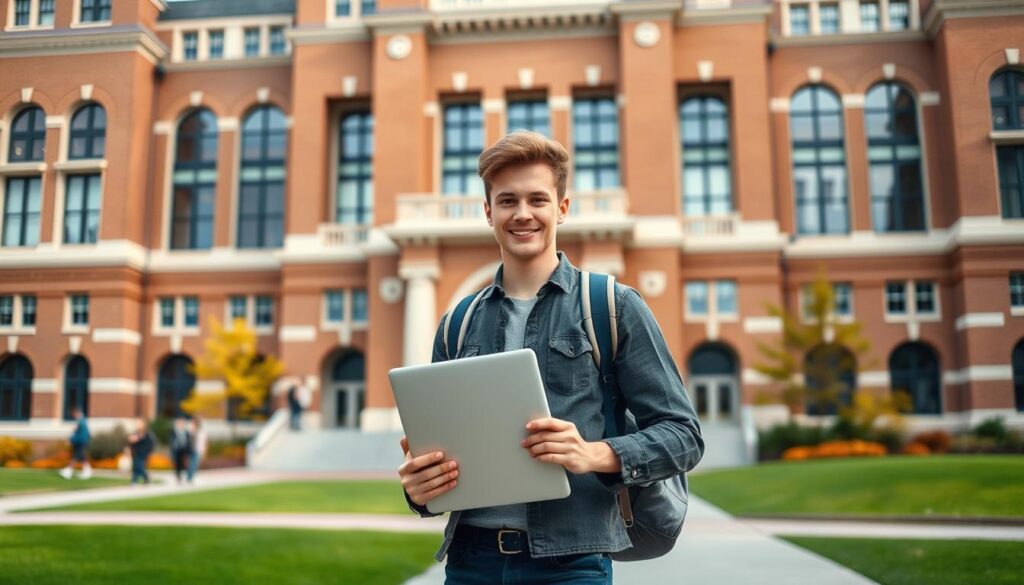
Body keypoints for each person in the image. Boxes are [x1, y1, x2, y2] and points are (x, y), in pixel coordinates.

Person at [397, 131, 704, 584]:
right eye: (507, 201)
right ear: (488, 212)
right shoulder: (456, 323)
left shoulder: (613, 306)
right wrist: (420, 490)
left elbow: (684, 436)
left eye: (537, 199)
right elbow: (438, 462)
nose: (522, 214)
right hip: (469, 564)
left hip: (572, 565)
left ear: (561, 207)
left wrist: (595, 453)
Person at [60, 407, 92, 480]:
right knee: (82, 456)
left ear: (77, 413)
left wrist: (70, 440)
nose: (74, 416)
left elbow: (76, 431)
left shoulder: (81, 421)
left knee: (75, 456)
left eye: (74, 414)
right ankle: (87, 471)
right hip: (81, 442)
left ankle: (68, 471)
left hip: (81, 442)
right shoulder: (82, 421)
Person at [127, 419, 155, 485]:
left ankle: (145, 477)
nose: (138, 425)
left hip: (143, 453)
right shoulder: (136, 432)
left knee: (139, 466)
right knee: (135, 466)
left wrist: (148, 452)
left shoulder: (146, 433)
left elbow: (150, 443)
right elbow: (131, 440)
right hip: (136, 452)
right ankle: (134, 481)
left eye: (139, 423)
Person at [170, 416, 193, 484]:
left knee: (184, 464)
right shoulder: (174, 432)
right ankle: (178, 477)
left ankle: (186, 476)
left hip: (184, 450)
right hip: (177, 450)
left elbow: (188, 442)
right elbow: (171, 441)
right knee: (177, 464)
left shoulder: (186, 432)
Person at [187, 416, 208, 484]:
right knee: (192, 463)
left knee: (194, 464)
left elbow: (205, 442)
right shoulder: (192, 429)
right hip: (192, 449)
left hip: (199, 449)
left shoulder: (202, 431)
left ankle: (191, 477)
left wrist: (204, 451)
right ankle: (190, 477)